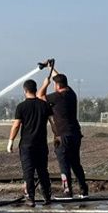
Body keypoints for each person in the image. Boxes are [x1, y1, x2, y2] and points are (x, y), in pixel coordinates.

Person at [40, 65, 88, 198]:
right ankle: (84, 190)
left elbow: (40, 96)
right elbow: (61, 79)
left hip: (63, 136)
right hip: (75, 134)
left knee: (64, 163)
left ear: (57, 86)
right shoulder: (71, 94)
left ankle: (67, 191)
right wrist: (52, 68)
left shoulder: (57, 97)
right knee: (75, 163)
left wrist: (45, 84)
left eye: (54, 84)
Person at [7, 79, 54, 206]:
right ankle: (47, 197)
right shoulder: (45, 105)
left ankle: (31, 198)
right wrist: (57, 136)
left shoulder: (21, 107)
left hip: (27, 145)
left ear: (25, 90)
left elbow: (16, 125)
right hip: (41, 145)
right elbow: (53, 122)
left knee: (28, 171)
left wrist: (10, 141)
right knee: (43, 171)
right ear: (35, 89)